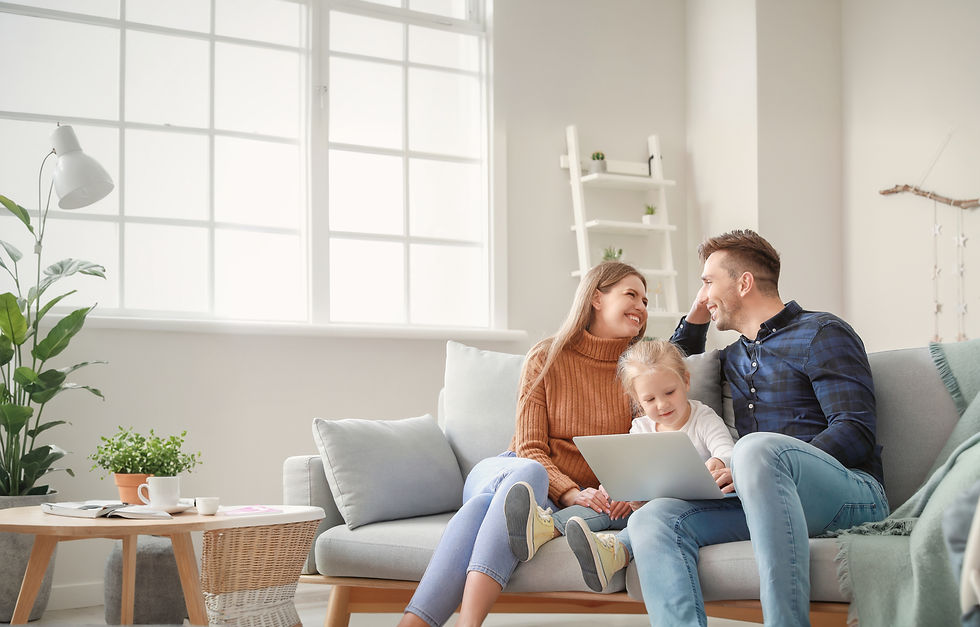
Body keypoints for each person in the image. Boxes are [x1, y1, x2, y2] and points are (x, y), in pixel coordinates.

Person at [563, 230, 889, 627]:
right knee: (652, 519)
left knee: (752, 449)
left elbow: (855, 430)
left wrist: (755, 466)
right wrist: (699, 314)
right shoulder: (736, 355)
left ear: (744, 282)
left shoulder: (822, 333)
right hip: (758, 497)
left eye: (707, 282)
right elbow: (669, 365)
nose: (702, 293)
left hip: (848, 494)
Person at [398, 261, 649, 627]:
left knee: (481, 511)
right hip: (508, 471)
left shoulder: (638, 372)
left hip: (534, 503)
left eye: (645, 300)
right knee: (528, 473)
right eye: (631, 294)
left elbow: (646, 440)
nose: (641, 307)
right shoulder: (547, 355)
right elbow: (529, 447)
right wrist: (570, 492)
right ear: (596, 297)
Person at [505, 339, 735, 595]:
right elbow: (631, 468)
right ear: (637, 401)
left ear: (686, 381)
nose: (662, 405)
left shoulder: (702, 418)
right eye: (650, 399)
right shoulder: (642, 427)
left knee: (648, 517)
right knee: (607, 502)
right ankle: (546, 528)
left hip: (686, 508)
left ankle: (612, 552)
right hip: (645, 503)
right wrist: (620, 490)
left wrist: (718, 462)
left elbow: (727, 451)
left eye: (670, 392)